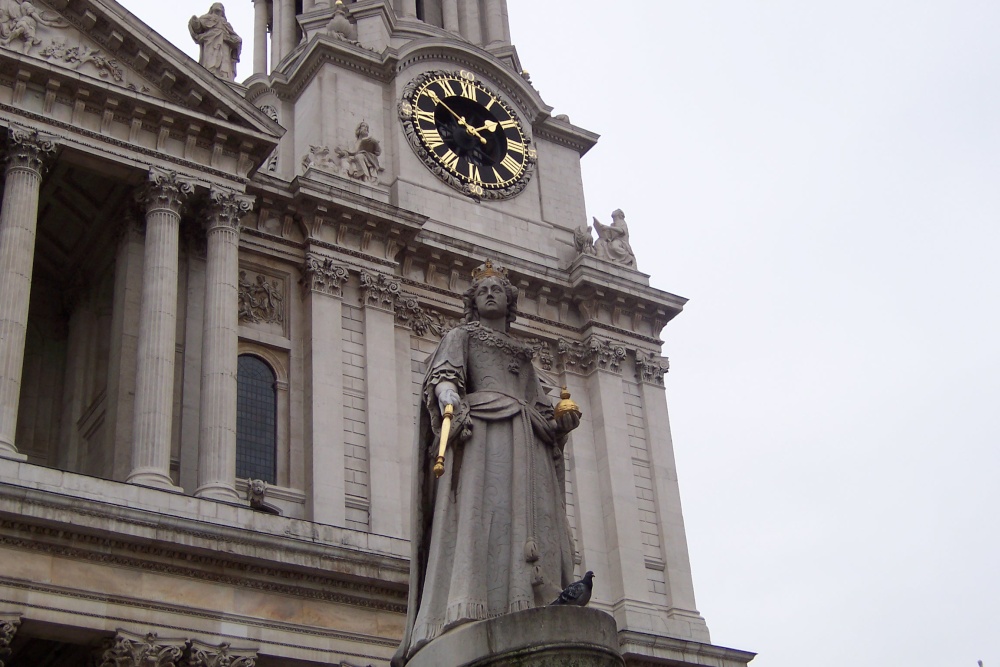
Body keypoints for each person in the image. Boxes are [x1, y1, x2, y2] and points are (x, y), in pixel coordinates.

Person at [392, 260, 581, 665]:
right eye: (482, 291)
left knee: (531, 517)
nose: (490, 294)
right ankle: (469, 602)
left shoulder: (523, 355)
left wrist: (561, 421)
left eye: (498, 289)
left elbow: (542, 408)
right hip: (484, 436)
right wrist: (447, 396)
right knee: (484, 510)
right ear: (473, 302)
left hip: (525, 439)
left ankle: (531, 598)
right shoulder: (461, 336)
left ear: (510, 302)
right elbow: (444, 376)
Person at [188, 3, 242, 81]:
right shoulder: (206, 18)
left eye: (220, 9)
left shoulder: (225, 23)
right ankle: (211, 72)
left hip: (225, 44)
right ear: (212, 9)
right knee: (211, 58)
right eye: (217, 9)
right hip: (211, 41)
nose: (218, 12)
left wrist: (236, 40)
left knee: (224, 61)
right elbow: (198, 28)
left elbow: (234, 35)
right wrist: (195, 22)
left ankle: (224, 75)